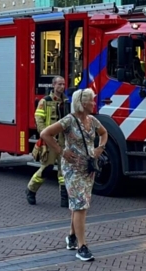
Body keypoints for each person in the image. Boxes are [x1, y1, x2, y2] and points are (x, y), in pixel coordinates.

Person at [39, 88, 107, 262]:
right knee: (81, 205)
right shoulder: (69, 120)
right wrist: (61, 151)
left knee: (80, 203)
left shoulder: (92, 121)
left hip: (88, 168)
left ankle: (71, 236)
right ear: (82, 103)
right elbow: (45, 134)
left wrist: (100, 148)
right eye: (91, 100)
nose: (94, 103)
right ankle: (82, 247)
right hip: (72, 168)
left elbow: (104, 133)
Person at [27, 76, 69, 207]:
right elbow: (39, 120)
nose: (62, 87)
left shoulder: (66, 101)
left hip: (63, 141)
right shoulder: (45, 101)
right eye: (59, 84)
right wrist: (44, 135)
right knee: (47, 168)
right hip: (50, 141)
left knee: (64, 170)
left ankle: (64, 197)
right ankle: (30, 190)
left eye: (63, 84)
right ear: (53, 85)